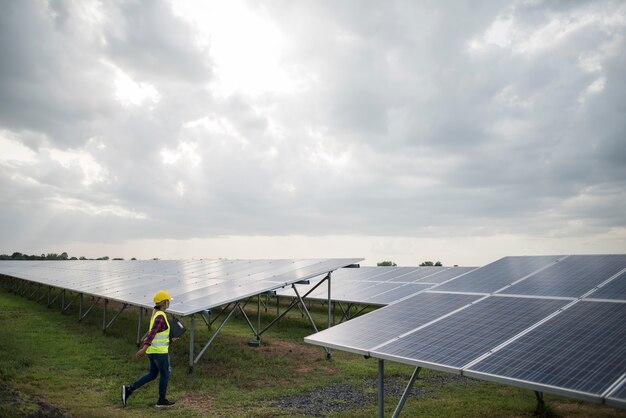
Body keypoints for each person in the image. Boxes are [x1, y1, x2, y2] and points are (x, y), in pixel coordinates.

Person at [122, 290, 177, 408]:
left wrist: (170, 339)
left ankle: (129, 389)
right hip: (159, 353)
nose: (169, 303)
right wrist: (143, 348)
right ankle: (161, 401)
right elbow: (152, 333)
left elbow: (158, 333)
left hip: (153, 352)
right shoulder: (160, 316)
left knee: (152, 374)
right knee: (165, 374)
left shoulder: (156, 312)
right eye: (168, 301)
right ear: (164, 303)